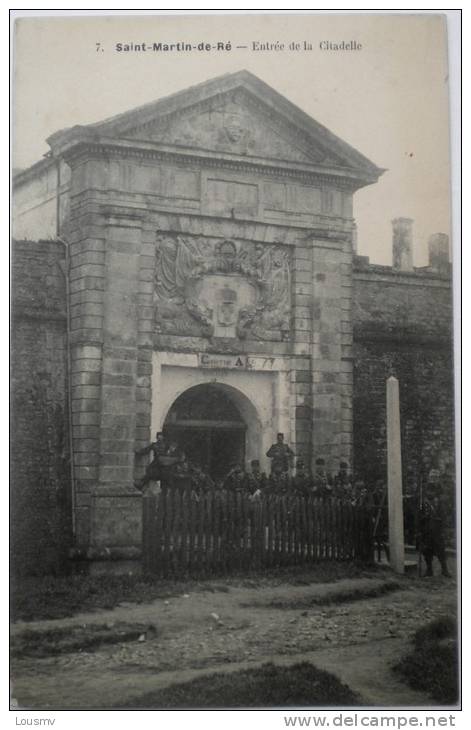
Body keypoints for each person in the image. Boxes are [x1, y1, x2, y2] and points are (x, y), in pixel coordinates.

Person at [417, 487, 451, 577]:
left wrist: (442, 524)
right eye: (428, 491)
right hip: (426, 530)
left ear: (435, 492)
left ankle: (444, 570)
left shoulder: (439, 503)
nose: (430, 493)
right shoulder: (422, 503)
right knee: (427, 551)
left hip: (437, 531)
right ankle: (429, 570)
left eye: (432, 491)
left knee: (441, 551)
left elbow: (444, 515)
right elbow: (418, 516)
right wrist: (423, 520)